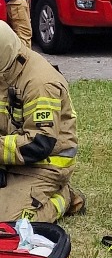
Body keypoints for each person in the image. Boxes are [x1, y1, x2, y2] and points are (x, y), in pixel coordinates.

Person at [0, 21, 84, 221]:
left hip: (44, 165)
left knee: (9, 223)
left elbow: (39, 144)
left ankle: (64, 198)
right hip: (8, 161)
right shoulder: (5, 69)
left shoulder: (41, 83)